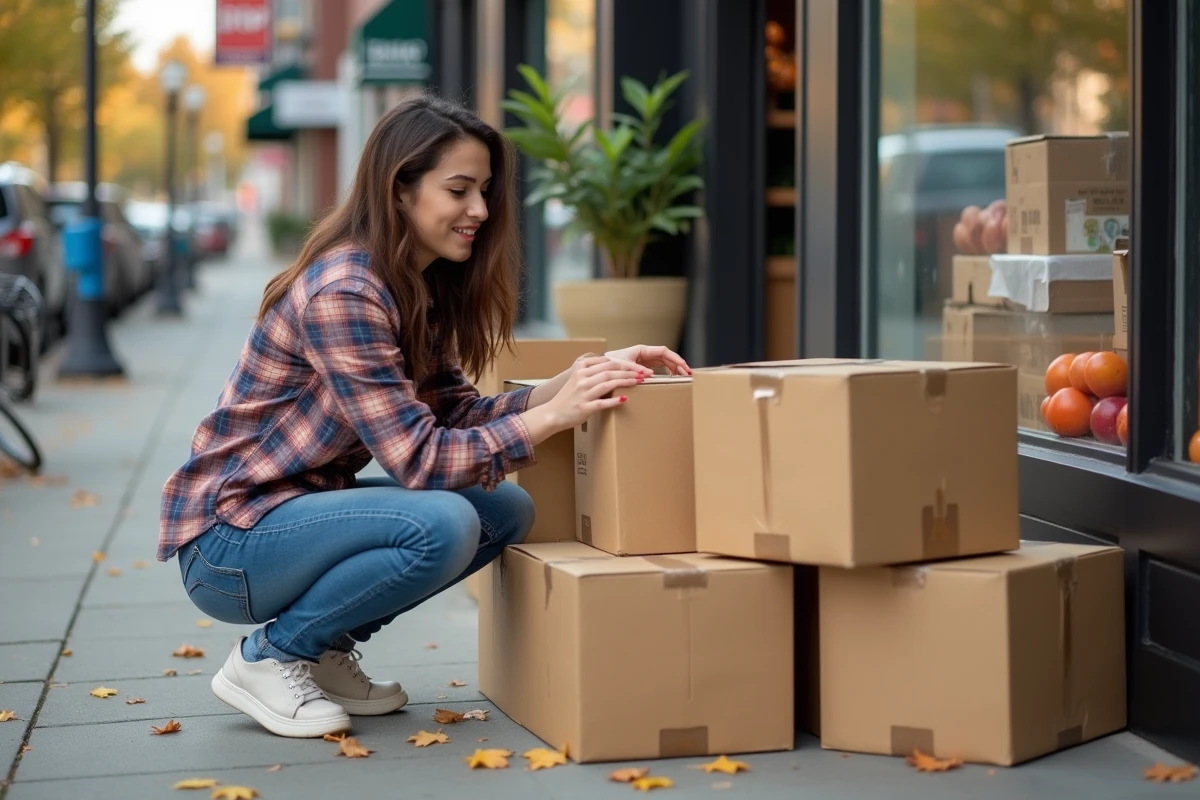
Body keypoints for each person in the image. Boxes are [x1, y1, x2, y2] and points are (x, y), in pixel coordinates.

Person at [157, 94, 691, 739]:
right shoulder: (347, 292)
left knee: (505, 511)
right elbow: (419, 461)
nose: (481, 211)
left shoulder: (413, 284)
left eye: (486, 190)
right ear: (400, 190)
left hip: (294, 517)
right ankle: (271, 657)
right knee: (442, 520)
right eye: (459, 189)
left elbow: (458, 412)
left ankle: (322, 652)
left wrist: (579, 379)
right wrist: (549, 420)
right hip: (230, 543)